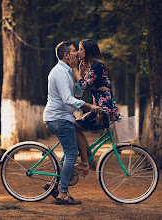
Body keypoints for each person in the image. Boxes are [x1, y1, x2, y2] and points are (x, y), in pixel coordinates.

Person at [43, 40, 101, 205]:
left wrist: (79, 74)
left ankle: (53, 184)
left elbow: (77, 93)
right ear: (66, 55)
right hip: (59, 118)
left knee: (71, 151)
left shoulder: (67, 71)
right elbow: (68, 99)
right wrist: (90, 106)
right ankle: (62, 194)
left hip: (64, 117)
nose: (77, 53)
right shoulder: (60, 72)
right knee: (71, 154)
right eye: (74, 51)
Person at [72, 39, 120, 177]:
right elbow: (85, 86)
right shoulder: (95, 66)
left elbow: (84, 86)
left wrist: (75, 70)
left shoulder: (98, 65)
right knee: (77, 127)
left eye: (80, 49)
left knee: (75, 126)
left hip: (103, 109)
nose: (78, 52)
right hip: (102, 108)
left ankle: (86, 163)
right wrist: (81, 71)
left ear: (88, 51)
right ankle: (89, 161)